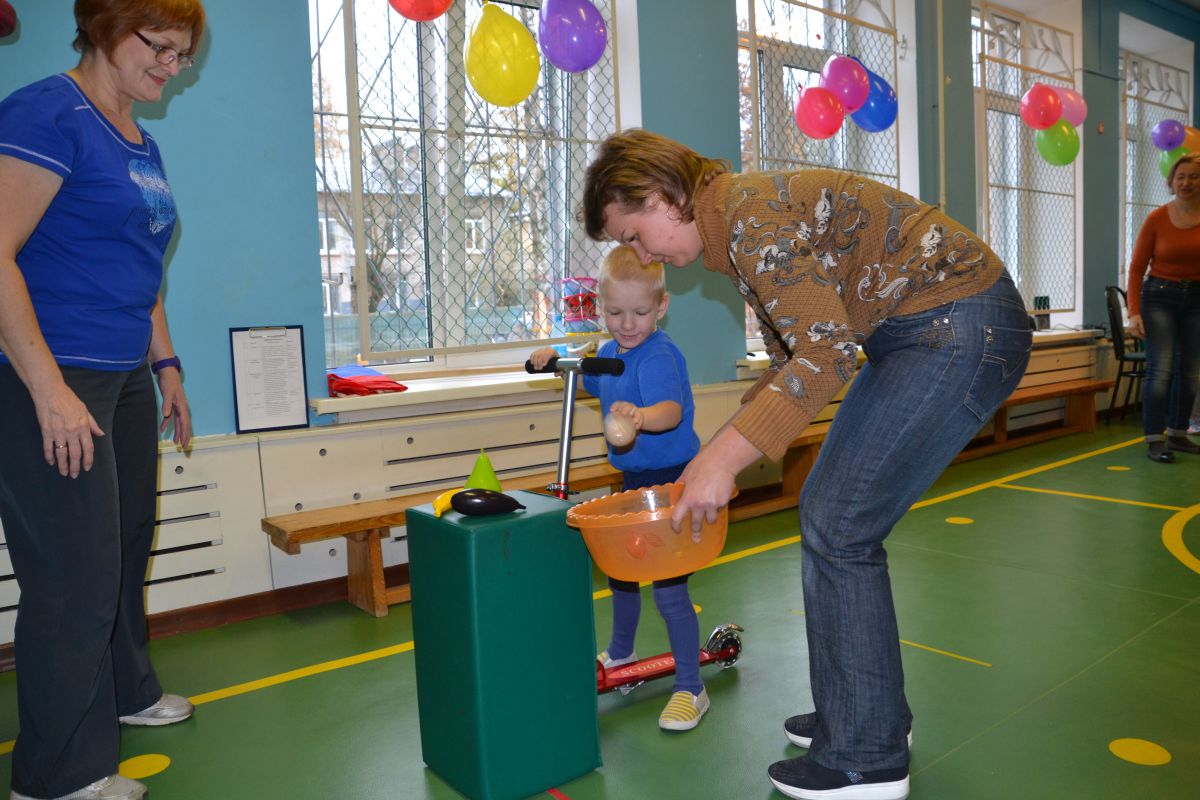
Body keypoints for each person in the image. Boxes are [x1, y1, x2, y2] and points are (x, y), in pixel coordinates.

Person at [580, 129, 1032, 800]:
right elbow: (795, 362)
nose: (645, 255)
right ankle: (865, 715)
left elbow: (826, 355)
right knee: (831, 515)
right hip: (929, 328)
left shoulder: (746, 216)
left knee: (840, 525)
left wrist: (722, 460)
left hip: (956, 324)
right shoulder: (734, 228)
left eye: (637, 236)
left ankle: (866, 759)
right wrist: (715, 455)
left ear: (660, 196)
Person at [0, 1, 205, 798]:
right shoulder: (47, 113)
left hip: (121, 375)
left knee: (121, 548)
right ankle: (56, 774)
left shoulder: (140, 143)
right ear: (107, 27)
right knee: (72, 576)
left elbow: (138, 264)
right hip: (53, 376)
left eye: (183, 55)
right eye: (161, 47)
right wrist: (47, 387)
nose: (172, 68)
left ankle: (127, 690)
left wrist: (166, 365)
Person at [529, 244, 707, 731]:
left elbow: (670, 411)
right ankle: (622, 651)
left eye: (640, 313)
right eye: (614, 313)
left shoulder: (659, 355)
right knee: (623, 576)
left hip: (671, 481)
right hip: (632, 480)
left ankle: (691, 687)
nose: (627, 324)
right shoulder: (608, 353)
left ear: (661, 306)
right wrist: (555, 360)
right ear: (600, 307)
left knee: (669, 589)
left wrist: (640, 416)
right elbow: (589, 379)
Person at [1125, 152, 1200, 463]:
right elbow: (1135, 269)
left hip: (1197, 299)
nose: (1186, 182)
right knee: (1161, 368)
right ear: (1172, 182)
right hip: (1159, 297)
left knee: (1191, 371)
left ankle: (1179, 433)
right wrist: (1133, 312)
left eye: (1194, 176)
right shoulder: (1157, 219)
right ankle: (1155, 439)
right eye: (1180, 177)